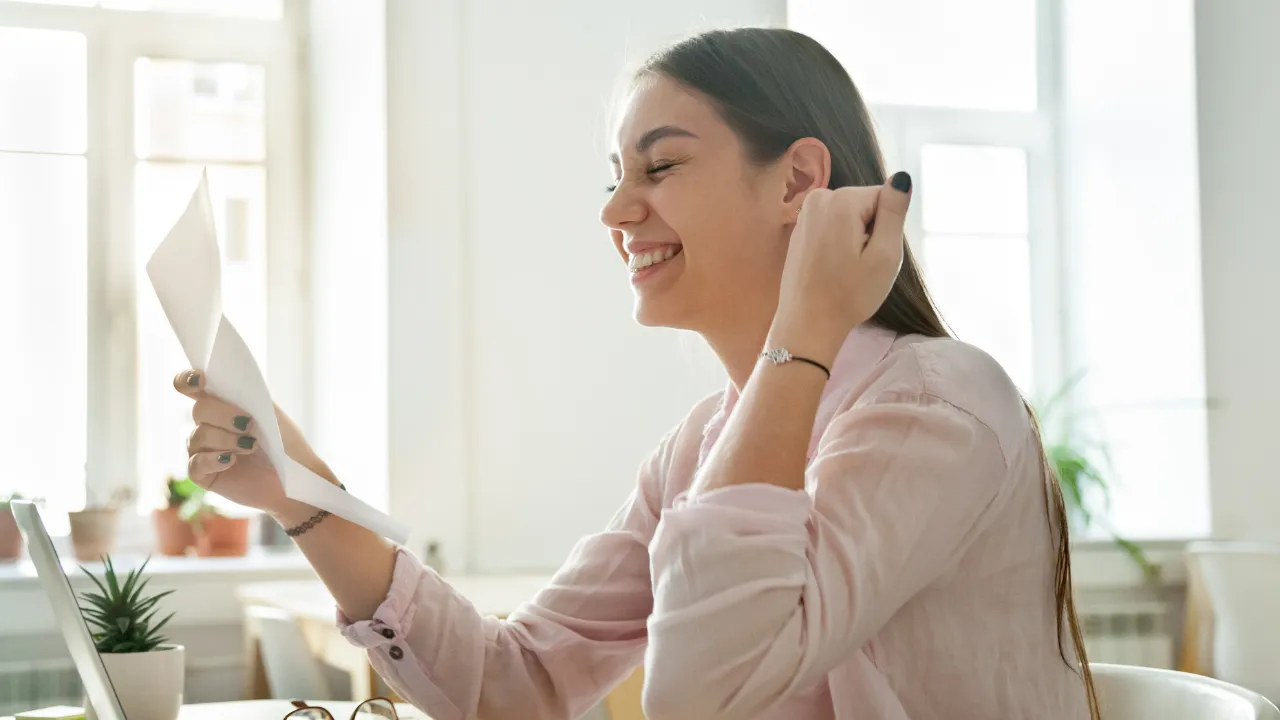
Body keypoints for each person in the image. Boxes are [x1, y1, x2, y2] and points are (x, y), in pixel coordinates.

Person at [175, 28, 1096, 720]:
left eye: (660, 165)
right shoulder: (703, 445)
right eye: (613, 175)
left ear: (796, 183)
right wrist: (299, 489)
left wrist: (809, 324)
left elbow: (703, 691)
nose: (617, 209)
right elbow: (515, 682)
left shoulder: (936, 404)